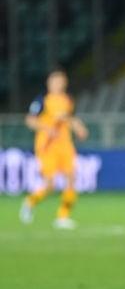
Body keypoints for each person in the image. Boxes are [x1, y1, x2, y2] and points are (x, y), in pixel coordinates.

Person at [20, 68, 88, 229]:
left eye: (60, 81)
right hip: (47, 145)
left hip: (65, 144)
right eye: (55, 81)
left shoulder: (68, 100)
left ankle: (63, 217)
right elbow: (30, 120)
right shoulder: (42, 100)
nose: (58, 84)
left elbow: (68, 118)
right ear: (49, 83)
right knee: (50, 184)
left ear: (64, 83)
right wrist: (46, 128)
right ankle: (30, 202)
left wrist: (78, 126)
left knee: (71, 178)